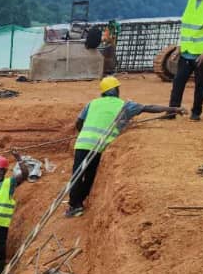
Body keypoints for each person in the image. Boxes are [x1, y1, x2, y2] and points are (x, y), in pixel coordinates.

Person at [66, 77, 183, 218]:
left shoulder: (92, 103)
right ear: (116, 90)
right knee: (90, 174)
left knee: (77, 174)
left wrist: (84, 133)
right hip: (100, 145)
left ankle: (74, 205)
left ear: (103, 91)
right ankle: (80, 201)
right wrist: (174, 109)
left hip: (82, 143)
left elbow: (79, 122)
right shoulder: (125, 105)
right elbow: (149, 108)